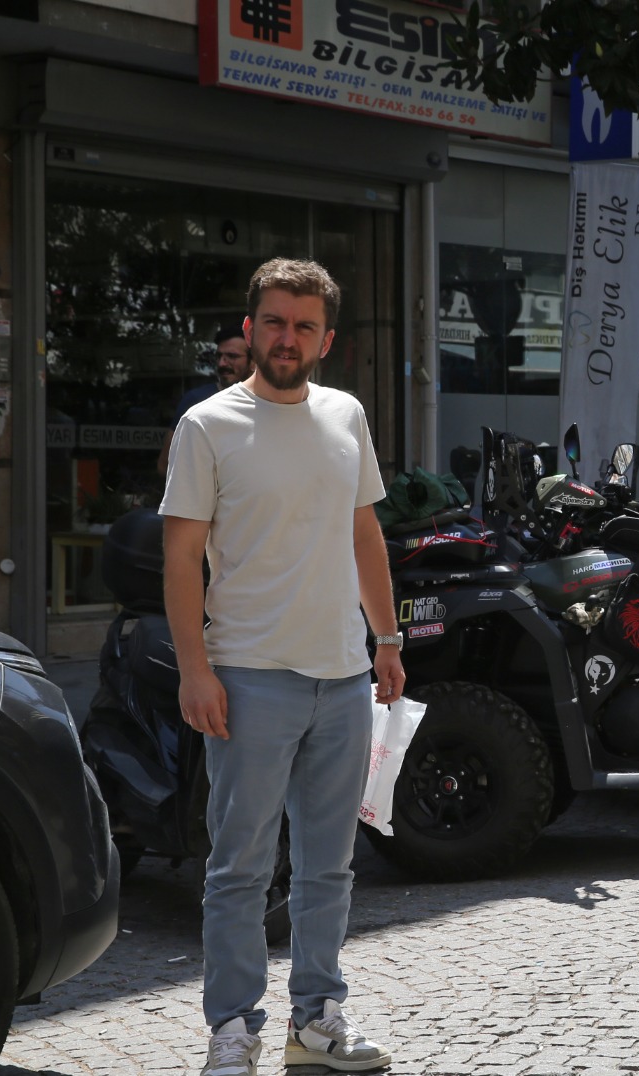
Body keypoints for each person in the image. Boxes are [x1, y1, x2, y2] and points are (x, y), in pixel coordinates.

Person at [161, 259, 403, 1076]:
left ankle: (317, 1022)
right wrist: (194, 669)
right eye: (273, 321)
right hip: (248, 676)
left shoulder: (346, 416)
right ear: (250, 327)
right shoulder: (207, 426)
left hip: (340, 677)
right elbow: (181, 556)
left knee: (330, 866)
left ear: (326, 339)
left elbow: (365, 534)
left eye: (303, 326)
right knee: (239, 868)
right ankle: (232, 1029)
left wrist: (388, 641)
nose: (286, 338)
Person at [157, 326, 252, 474]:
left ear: (253, 362)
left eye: (232, 356)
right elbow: (165, 465)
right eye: (219, 356)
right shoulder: (196, 401)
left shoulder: (266, 403)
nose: (222, 364)